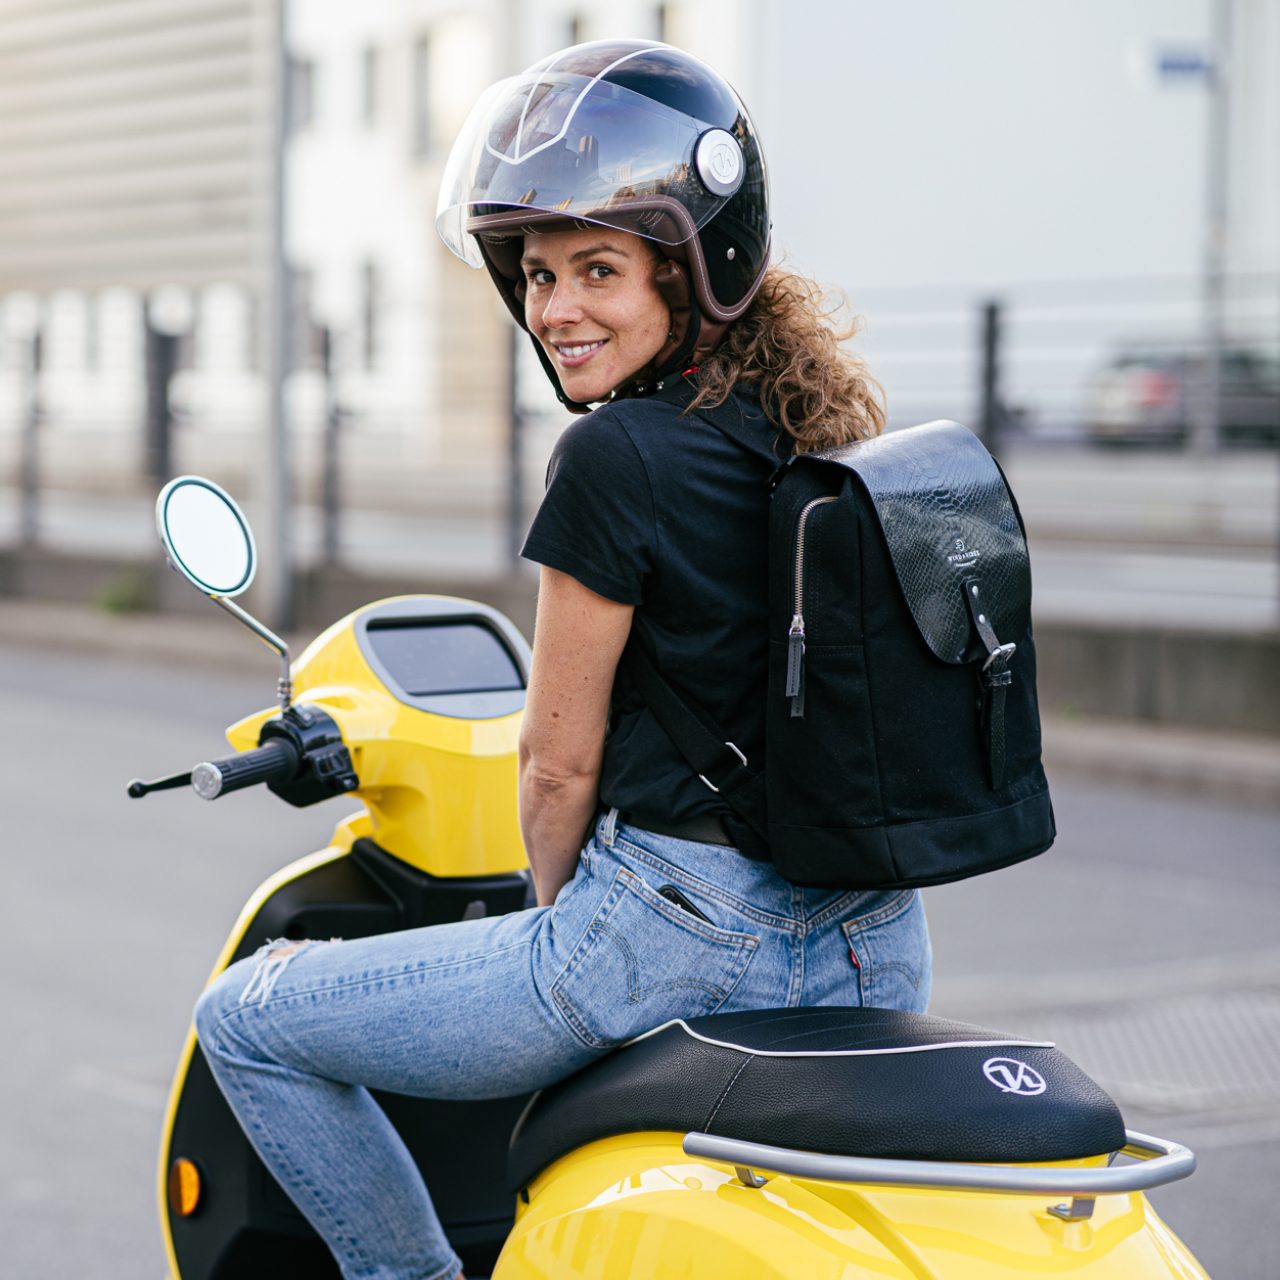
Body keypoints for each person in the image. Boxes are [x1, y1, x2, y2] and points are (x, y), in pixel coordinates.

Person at [194, 39, 931, 1280]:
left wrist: (551, 932)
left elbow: (554, 759)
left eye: (598, 267)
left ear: (690, 272)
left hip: (665, 942)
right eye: (535, 274)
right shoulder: (809, 433)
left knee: (248, 1019)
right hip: (873, 937)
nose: (555, 308)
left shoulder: (612, 457)